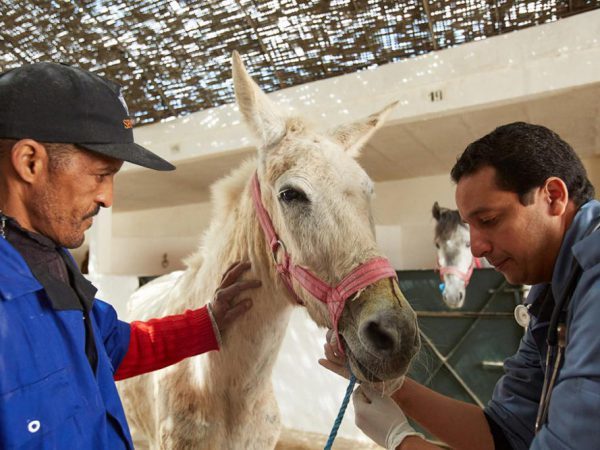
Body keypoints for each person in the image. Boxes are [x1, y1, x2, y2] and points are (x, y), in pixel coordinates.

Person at [0, 62, 261, 449]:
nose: (108, 198)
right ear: (30, 162)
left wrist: (210, 322)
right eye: (101, 175)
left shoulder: (51, 259)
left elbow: (113, 346)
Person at [320, 122, 600, 449]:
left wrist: (401, 441)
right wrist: (390, 385)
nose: (477, 247)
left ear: (552, 196)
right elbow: (505, 433)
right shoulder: (550, 289)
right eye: (470, 226)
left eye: (490, 221)